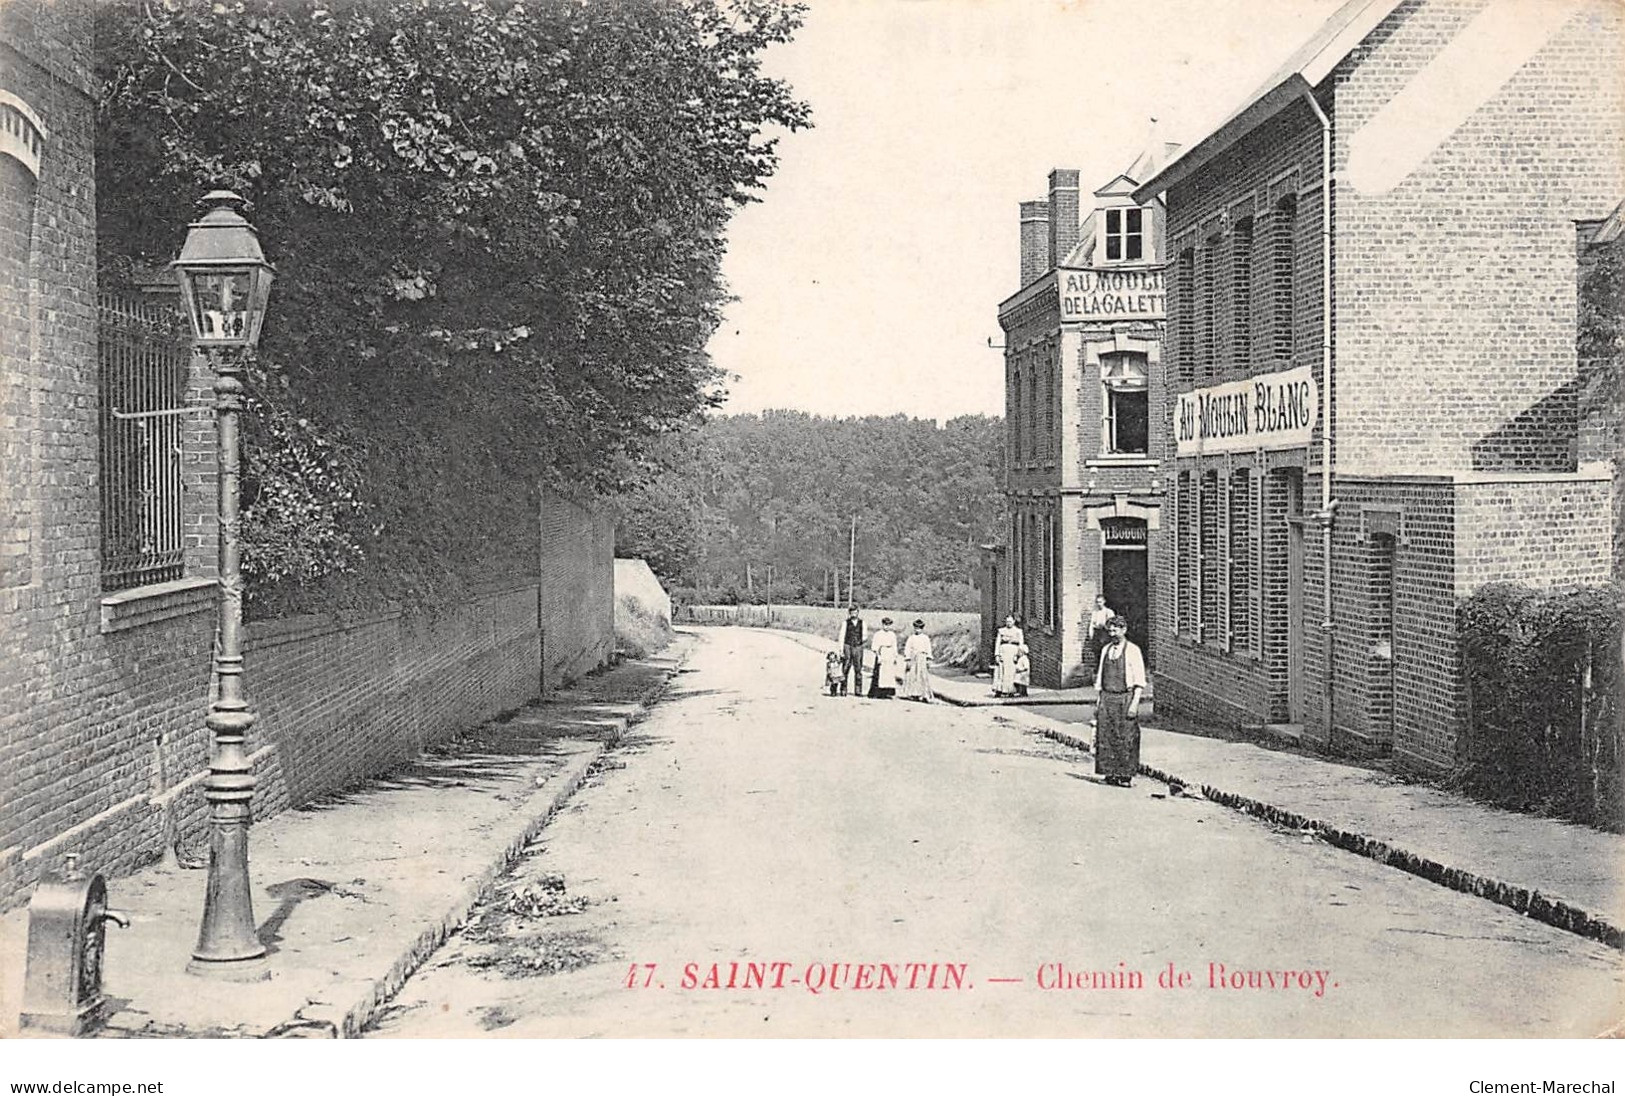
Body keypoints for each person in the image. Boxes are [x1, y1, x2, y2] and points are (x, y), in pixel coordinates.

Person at [1092, 615, 1147, 787]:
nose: (1112, 634)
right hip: (1107, 697)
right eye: (1110, 631)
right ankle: (1109, 772)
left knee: (1126, 736)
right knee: (1106, 735)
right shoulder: (1106, 650)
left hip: (1125, 697)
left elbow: (1139, 680)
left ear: (1124, 630)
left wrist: (1135, 703)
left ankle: (1125, 775)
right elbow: (1101, 677)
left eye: (1116, 630)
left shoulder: (1132, 651)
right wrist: (1098, 702)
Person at [898, 619, 935, 703]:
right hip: (913, 658)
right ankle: (913, 693)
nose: (917, 630)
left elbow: (928, 649)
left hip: (922, 657)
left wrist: (928, 659)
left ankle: (924, 694)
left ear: (922, 629)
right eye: (916, 628)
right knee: (912, 675)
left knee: (922, 676)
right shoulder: (911, 638)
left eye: (919, 628)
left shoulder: (925, 638)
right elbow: (907, 648)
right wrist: (908, 658)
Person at [836, 605, 866, 698]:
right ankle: (843, 689)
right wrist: (841, 650)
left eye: (855, 612)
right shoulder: (845, 623)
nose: (854, 614)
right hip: (847, 645)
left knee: (858, 668)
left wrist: (859, 642)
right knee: (845, 668)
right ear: (849, 613)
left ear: (858, 612)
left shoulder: (862, 623)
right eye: (852, 612)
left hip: (858, 647)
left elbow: (865, 636)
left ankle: (858, 690)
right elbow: (841, 637)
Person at [868, 617, 902, 699]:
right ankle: (877, 692)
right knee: (879, 673)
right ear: (882, 625)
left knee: (889, 674)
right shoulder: (878, 634)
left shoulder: (892, 635)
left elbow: (894, 646)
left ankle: (887, 692)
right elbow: (875, 646)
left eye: (888, 625)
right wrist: (878, 655)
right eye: (885, 625)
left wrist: (895, 656)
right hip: (881, 653)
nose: (887, 626)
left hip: (889, 654)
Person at [992, 614, 1024, 697]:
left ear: (1014, 621)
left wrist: (1018, 655)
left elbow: (1021, 644)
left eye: (1010, 621)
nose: (1008, 623)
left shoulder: (1018, 631)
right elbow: (997, 643)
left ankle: (1010, 691)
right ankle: (999, 690)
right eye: (1007, 622)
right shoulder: (1001, 631)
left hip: (1013, 652)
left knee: (1011, 672)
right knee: (1001, 671)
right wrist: (997, 655)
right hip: (1003, 652)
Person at [1087, 594, 1114, 673]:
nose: (1099, 604)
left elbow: (1111, 624)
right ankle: (1098, 668)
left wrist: (1106, 627)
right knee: (1096, 650)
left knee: (1104, 649)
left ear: (1104, 602)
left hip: (1105, 633)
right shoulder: (1095, 612)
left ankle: (1106, 668)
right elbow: (1092, 623)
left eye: (1100, 602)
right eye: (1097, 602)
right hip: (1097, 632)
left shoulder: (1108, 612)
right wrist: (1091, 634)